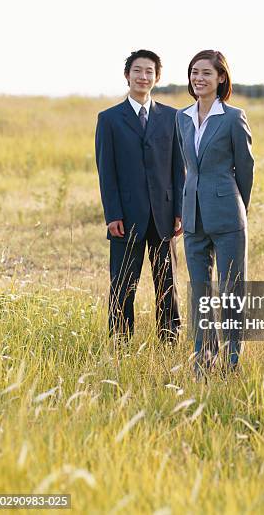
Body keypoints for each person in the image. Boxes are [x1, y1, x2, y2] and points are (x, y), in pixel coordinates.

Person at [95, 49, 184, 343]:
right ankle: (120, 340)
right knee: (123, 284)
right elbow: (106, 172)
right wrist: (112, 215)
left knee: (167, 282)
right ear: (127, 76)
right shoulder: (109, 119)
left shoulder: (172, 117)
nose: (143, 77)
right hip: (126, 217)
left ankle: (169, 338)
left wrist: (180, 211)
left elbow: (177, 169)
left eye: (149, 71)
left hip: (164, 216)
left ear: (157, 77)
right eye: (137, 71)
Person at [176, 50, 254, 376]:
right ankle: (203, 361)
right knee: (200, 292)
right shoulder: (181, 117)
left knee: (231, 290)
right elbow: (186, 166)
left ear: (221, 78)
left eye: (206, 73)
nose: (199, 78)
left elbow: (246, 169)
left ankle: (232, 361)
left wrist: (238, 207)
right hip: (192, 215)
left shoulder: (234, 117)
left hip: (227, 214)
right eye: (195, 72)